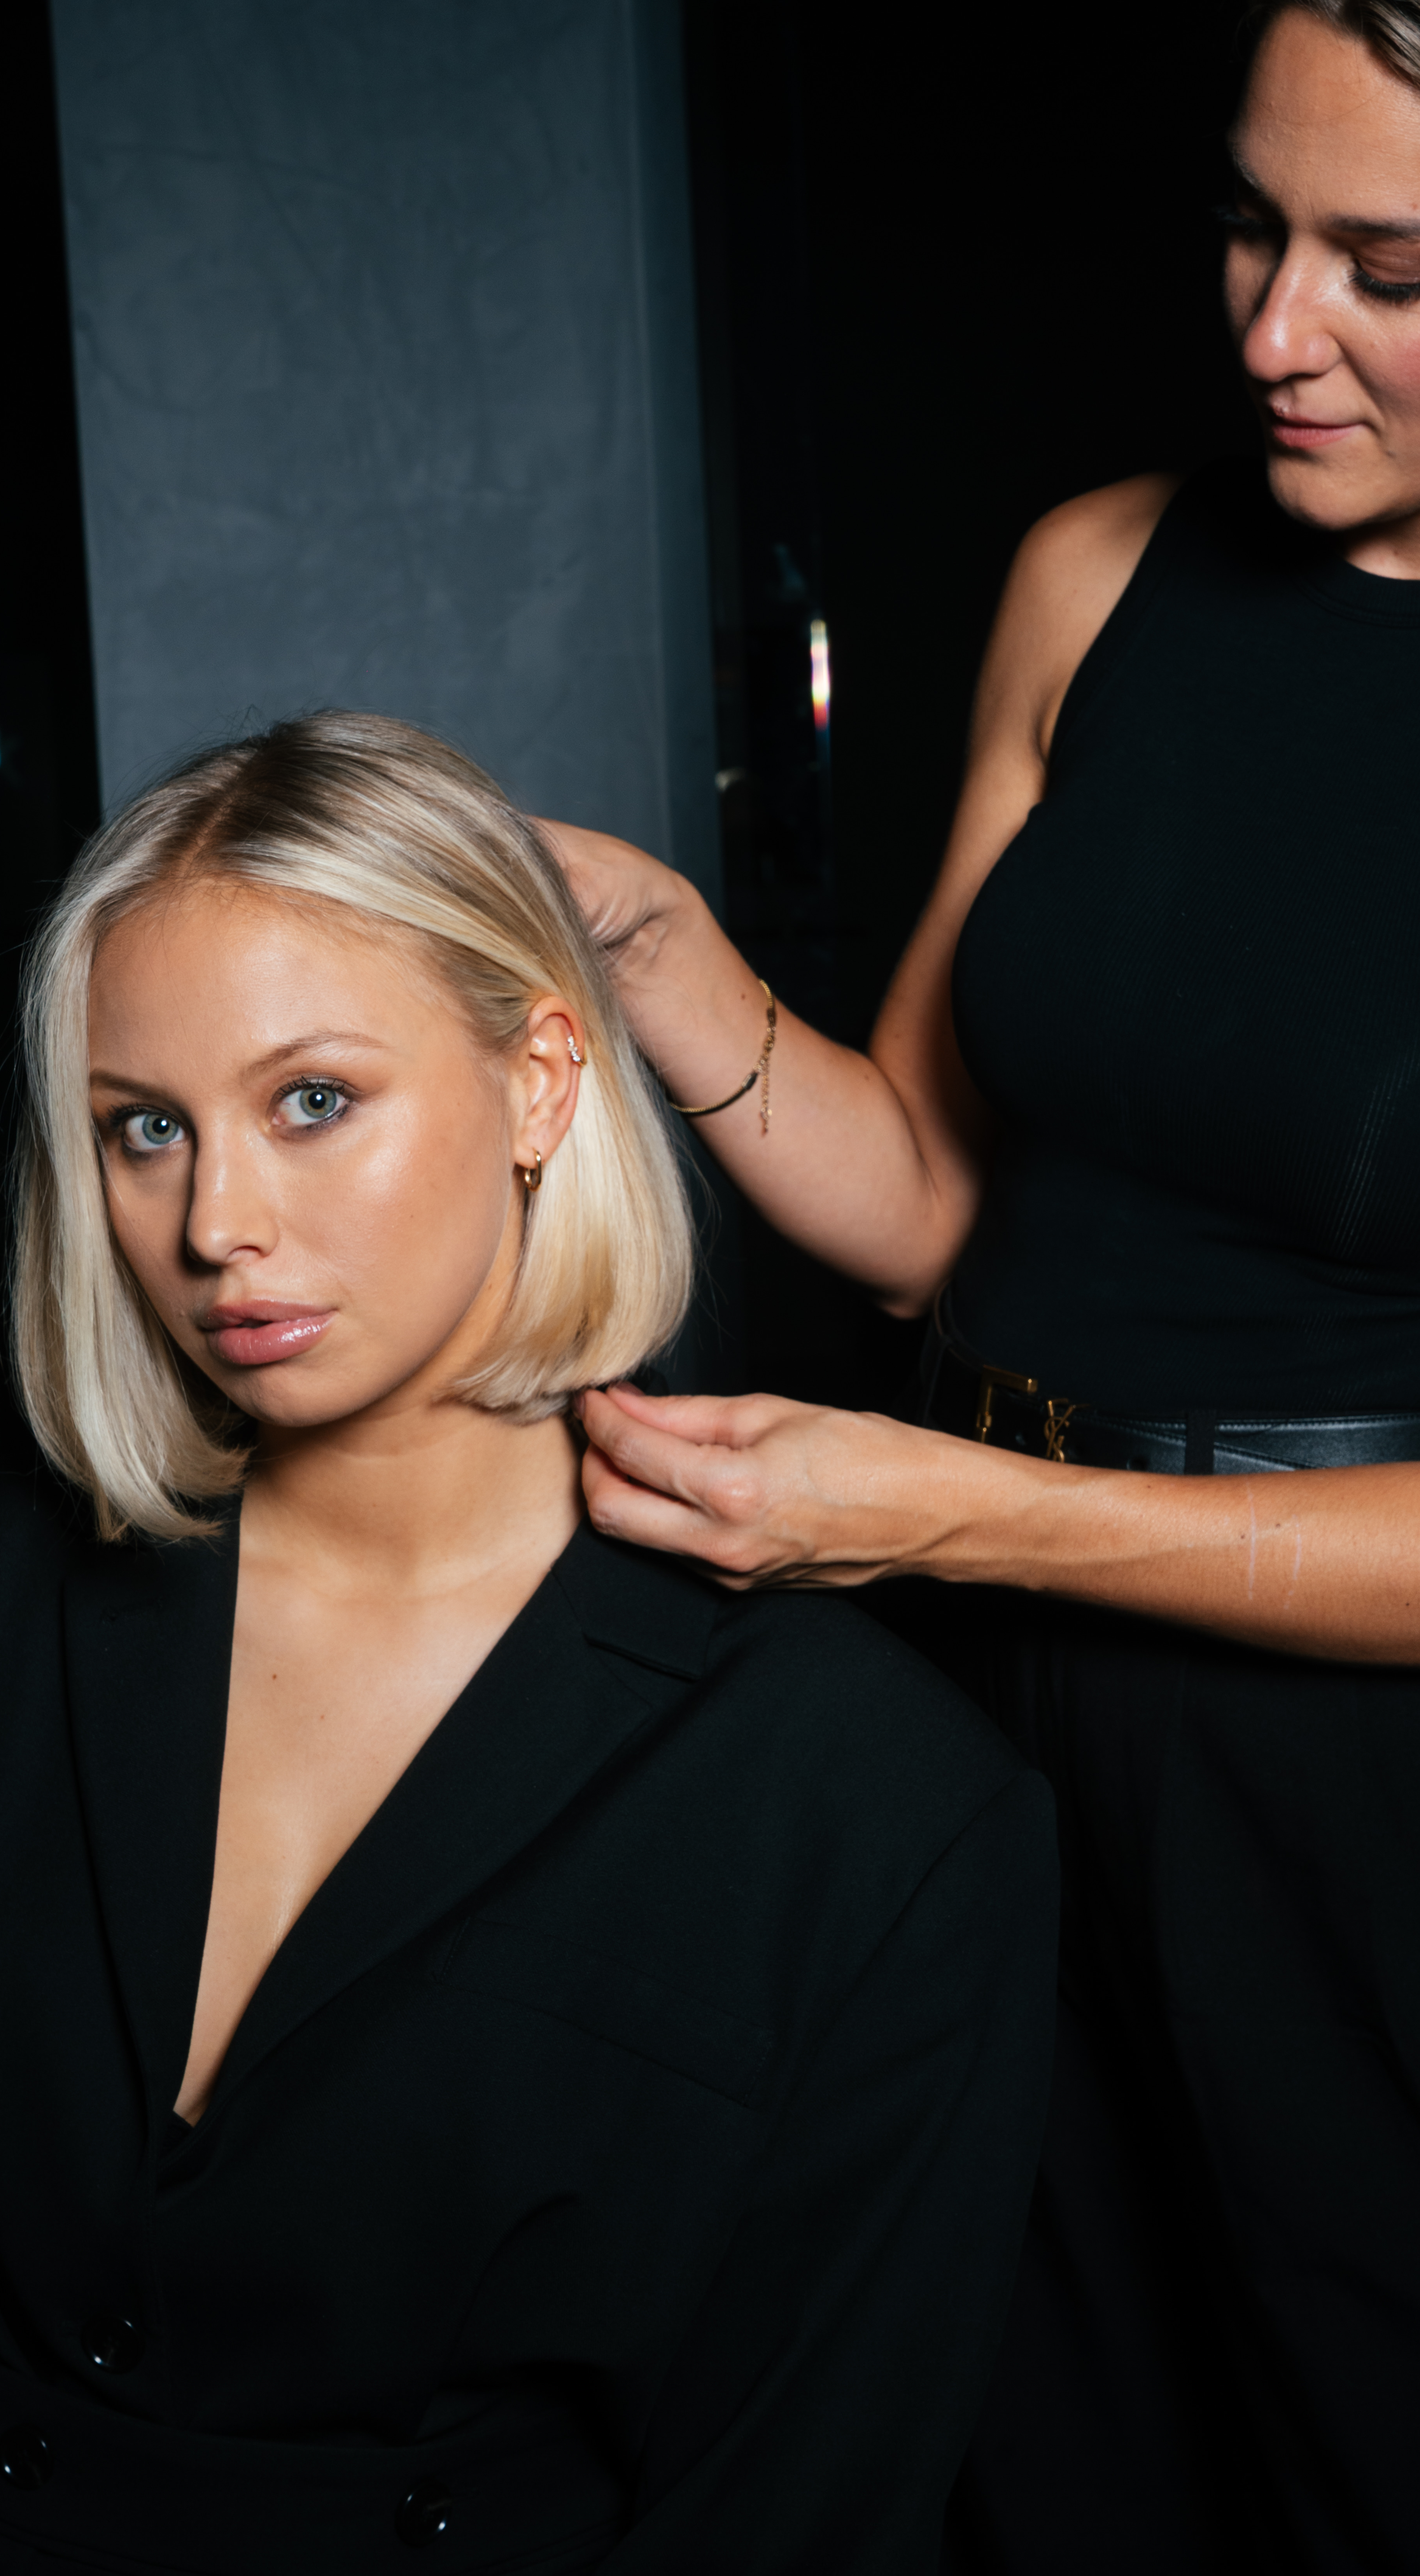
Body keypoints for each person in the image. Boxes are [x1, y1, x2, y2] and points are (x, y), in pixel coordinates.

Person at [0, 712, 1054, 2575]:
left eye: (312, 1101)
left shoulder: (873, 1800)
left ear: (541, 1084)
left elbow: (800, 2499)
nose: (216, 1224)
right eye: (145, 1128)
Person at [540, 6, 1420, 2569]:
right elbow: (941, 1196)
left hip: (1347, 1780)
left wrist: (942, 1513)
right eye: (1249, 225)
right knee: (1018, 2437)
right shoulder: (1103, 569)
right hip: (972, 1689)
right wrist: (663, 952)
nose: (1271, 327)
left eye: (1385, 268)